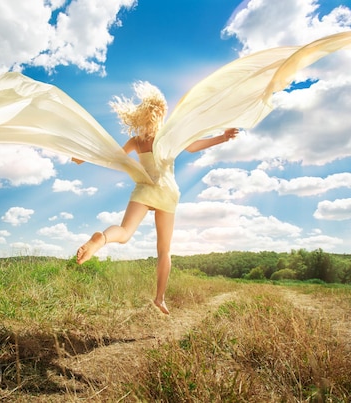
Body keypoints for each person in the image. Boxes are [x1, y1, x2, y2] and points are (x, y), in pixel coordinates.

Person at [74, 81, 238, 314]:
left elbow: (113, 158)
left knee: (123, 232)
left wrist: (85, 157)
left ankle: (101, 238)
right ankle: (160, 298)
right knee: (164, 250)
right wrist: (222, 138)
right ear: (160, 113)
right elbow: (193, 147)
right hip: (167, 192)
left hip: (144, 188)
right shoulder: (168, 135)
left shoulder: (136, 141)